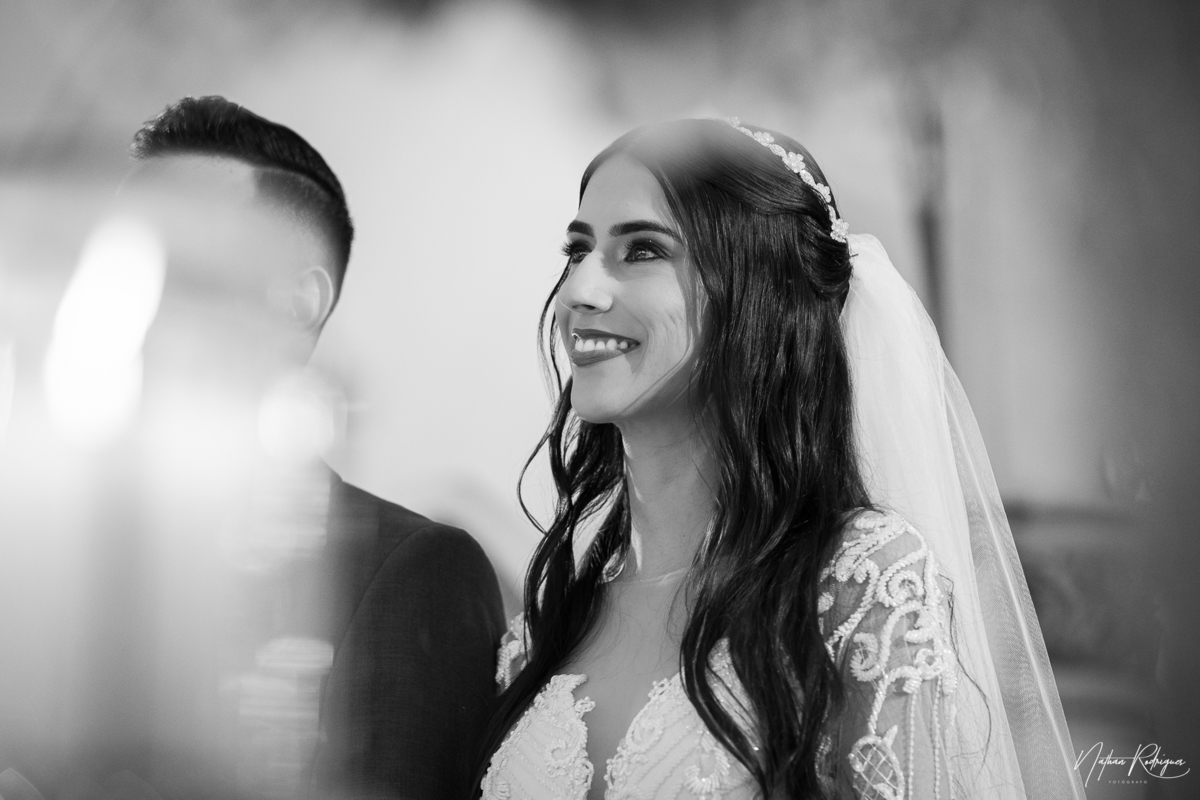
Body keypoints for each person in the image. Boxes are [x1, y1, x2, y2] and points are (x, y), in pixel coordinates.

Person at [474, 119, 1086, 799]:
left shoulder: (859, 586)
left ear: (758, 291)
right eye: (578, 249)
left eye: (642, 250)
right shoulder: (545, 628)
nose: (578, 291)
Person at [126, 97, 506, 800]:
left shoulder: (408, 571)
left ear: (298, 304)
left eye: (181, 266)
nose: (131, 306)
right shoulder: (52, 554)